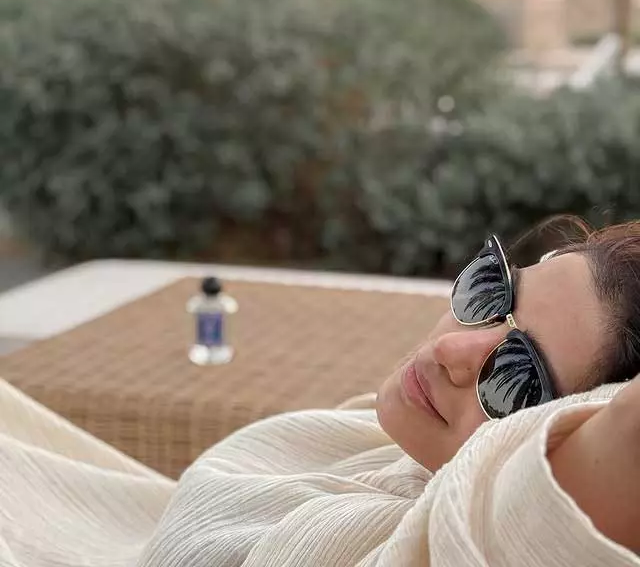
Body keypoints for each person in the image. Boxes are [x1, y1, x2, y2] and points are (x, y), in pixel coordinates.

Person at [1, 222, 640, 566]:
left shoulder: (478, 541)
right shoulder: (375, 448)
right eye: (491, 292)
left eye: (519, 375)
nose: (453, 349)